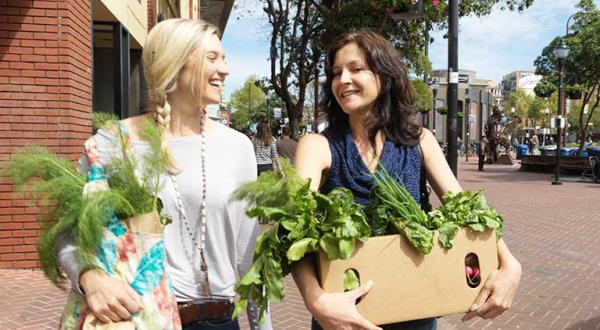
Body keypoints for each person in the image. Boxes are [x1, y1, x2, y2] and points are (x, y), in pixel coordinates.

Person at [292, 30, 522, 330]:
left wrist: (509, 262)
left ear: (384, 76)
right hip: (345, 316)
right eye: (336, 73)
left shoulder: (420, 141)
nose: (343, 80)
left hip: (415, 311)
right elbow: (293, 231)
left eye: (356, 68)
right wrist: (317, 302)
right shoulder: (317, 146)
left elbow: (465, 209)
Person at [57, 19, 272, 330]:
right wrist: (89, 277)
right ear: (176, 63)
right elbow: (67, 232)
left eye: (224, 58)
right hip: (139, 319)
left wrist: (262, 326)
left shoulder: (237, 147)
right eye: (212, 58)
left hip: (220, 320)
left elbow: (248, 257)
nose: (225, 70)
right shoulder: (113, 143)